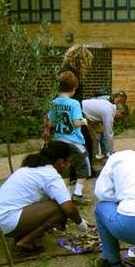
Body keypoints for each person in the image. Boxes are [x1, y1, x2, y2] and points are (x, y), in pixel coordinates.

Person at [0, 141, 88, 255]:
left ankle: (23, 234)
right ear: (61, 162)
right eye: (69, 162)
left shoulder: (30, 168)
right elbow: (69, 208)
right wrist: (81, 224)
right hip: (7, 221)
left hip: (4, 217)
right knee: (60, 208)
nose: (69, 165)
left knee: (55, 202)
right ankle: (24, 242)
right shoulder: (50, 175)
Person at [48, 71, 91, 204]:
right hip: (74, 141)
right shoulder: (74, 103)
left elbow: (50, 123)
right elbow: (75, 122)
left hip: (58, 140)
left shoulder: (54, 102)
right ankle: (77, 193)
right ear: (74, 89)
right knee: (84, 166)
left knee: (63, 166)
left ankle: (64, 195)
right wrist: (84, 120)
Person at [61, 44, 95, 175]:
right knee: (86, 142)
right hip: (73, 114)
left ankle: (74, 174)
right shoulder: (71, 74)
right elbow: (72, 98)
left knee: (75, 143)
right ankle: (86, 171)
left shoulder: (66, 71)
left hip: (68, 112)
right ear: (80, 59)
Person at [82, 91, 128, 159]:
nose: (120, 119)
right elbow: (109, 133)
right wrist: (112, 151)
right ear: (120, 111)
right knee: (92, 137)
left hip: (85, 112)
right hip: (81, 112)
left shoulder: (109, 106)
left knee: (96, 135)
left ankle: (96, 155)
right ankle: (92, 158)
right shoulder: (109, 111)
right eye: (121, 117)